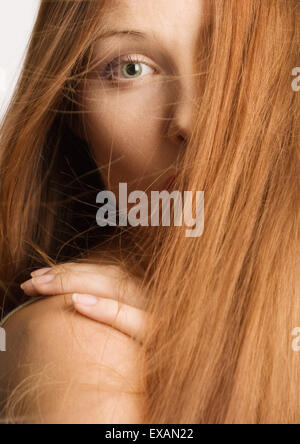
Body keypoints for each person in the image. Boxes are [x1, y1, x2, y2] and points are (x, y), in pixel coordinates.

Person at [0, 0, 299, 424]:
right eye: (130, 69)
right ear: (75, 117)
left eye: (235, 58)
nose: (189, 121)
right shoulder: (83, 336)